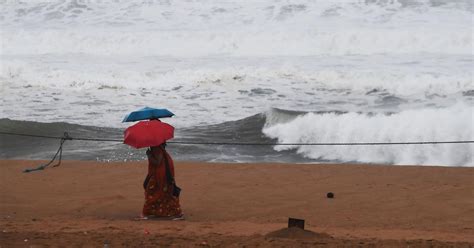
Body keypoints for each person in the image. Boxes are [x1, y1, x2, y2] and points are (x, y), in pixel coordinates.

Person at [140, 143, 183, 220]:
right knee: (164, 193)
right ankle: (175, 213)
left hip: (160, 175)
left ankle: (147, 213)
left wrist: (149, 155)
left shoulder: (156, 148)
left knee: (151, 192)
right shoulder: (157, 147)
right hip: (161, 173)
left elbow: (158, 162)